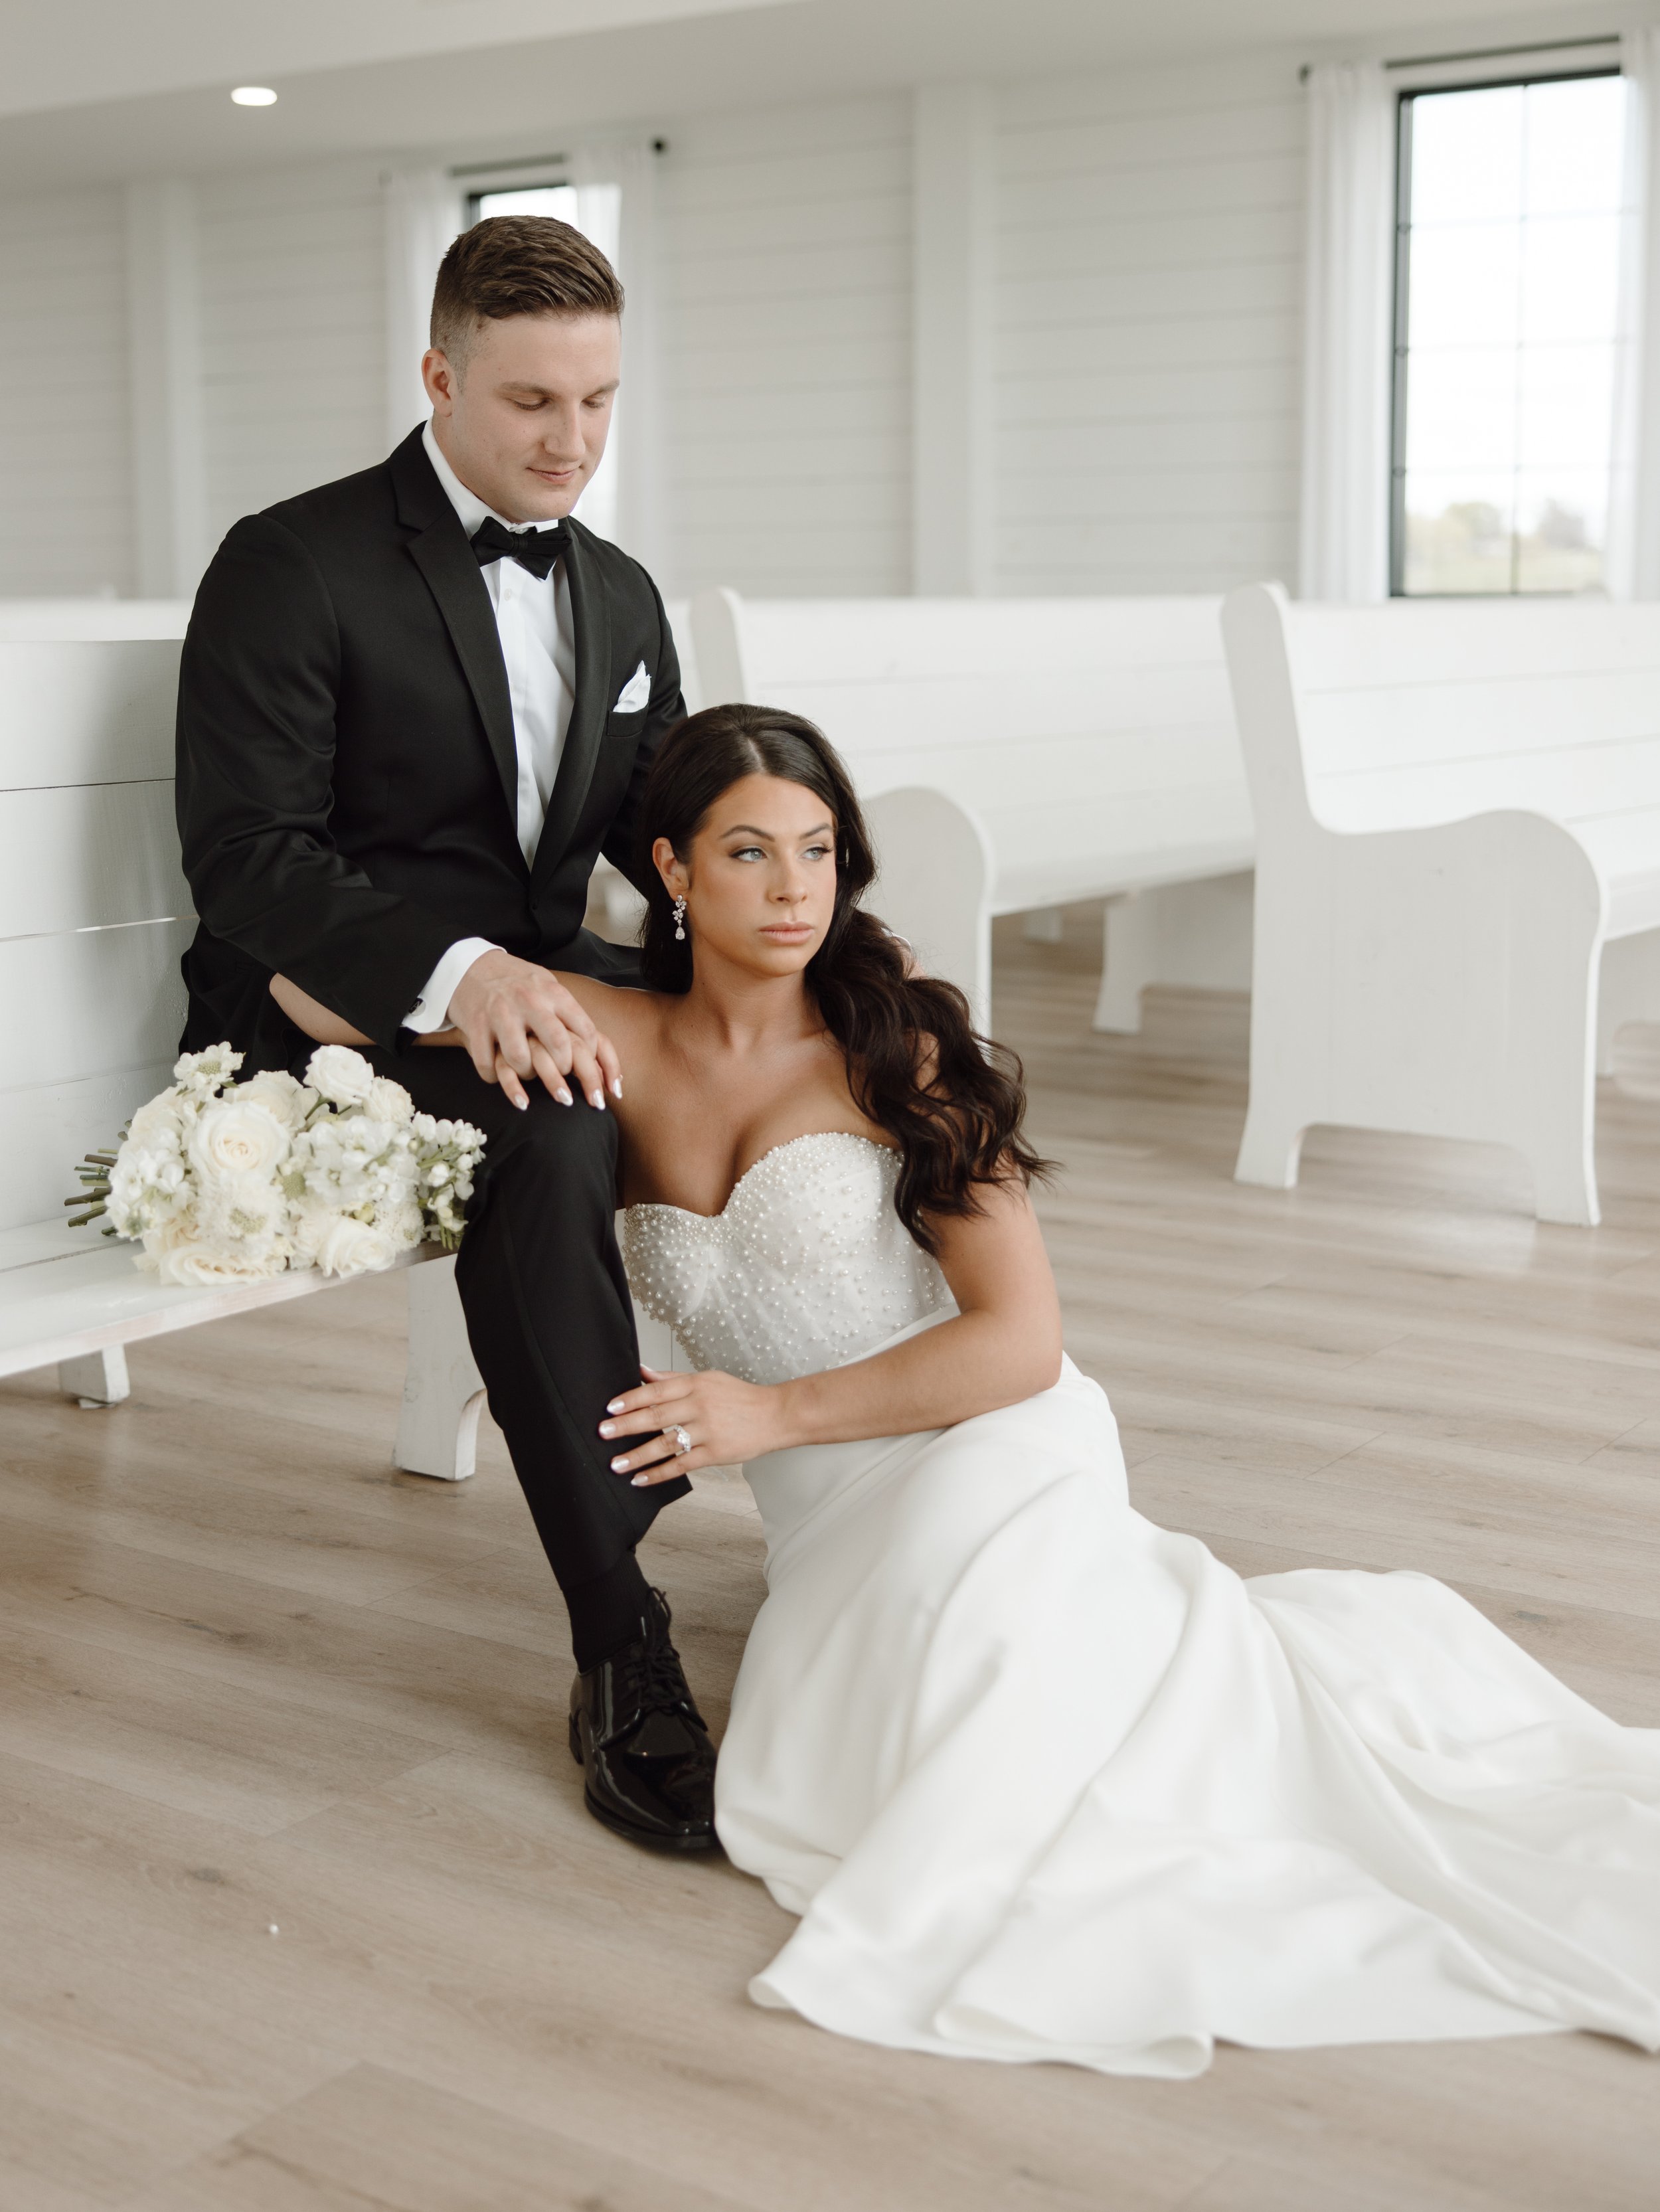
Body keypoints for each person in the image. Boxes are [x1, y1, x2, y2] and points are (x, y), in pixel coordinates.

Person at [276, 702, 1660, 2077]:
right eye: (747, 853)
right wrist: (472, 973)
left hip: (985, 1440)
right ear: (672, 872)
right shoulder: (603, 1034)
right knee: (847, 1751)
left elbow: (1021, 1342)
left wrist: (764, 1413)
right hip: (826, 1518)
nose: (792, 889)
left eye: (816, 851)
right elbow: (307, 993)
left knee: (1014, 1731)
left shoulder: (897, 1049)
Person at [175, 214, 718, 1854]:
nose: (573, 443)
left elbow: (657, 818)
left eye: (601, 402)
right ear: (439, 375)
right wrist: (462, 971)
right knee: (553, 1129)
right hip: (320, 1004)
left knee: (811, 1069)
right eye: (534, 402)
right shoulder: (294, 559)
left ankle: (864, 1497)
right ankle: (621, 1630)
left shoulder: (613, 589)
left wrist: (788, 941)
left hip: (532, 996)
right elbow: (249, 855)